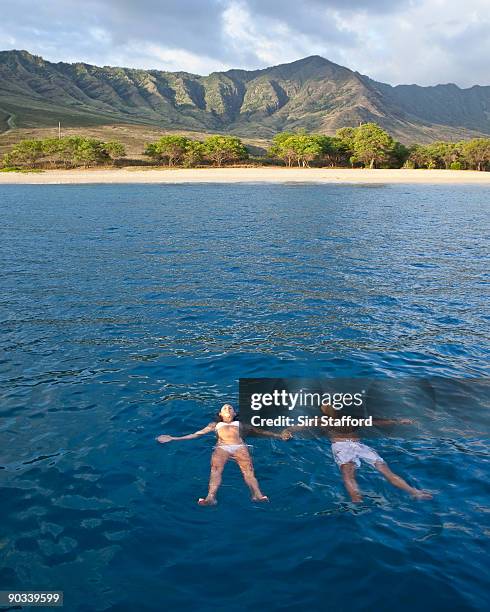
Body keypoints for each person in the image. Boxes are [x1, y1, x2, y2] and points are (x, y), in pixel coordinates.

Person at [292, 402, 433, 503]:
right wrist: (287, 431)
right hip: (348, 447)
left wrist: (398, 421)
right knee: (352, 472)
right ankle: (357, 500)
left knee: (367, 471)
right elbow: (299, 426)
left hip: (354, 446)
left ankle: (413, 492)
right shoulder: (327, 420)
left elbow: (375, 422)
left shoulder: (341, 418)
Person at [156, 403, 291, 506]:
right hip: (222, 448)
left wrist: (279, 435)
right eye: (225, 408)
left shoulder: (241, 424)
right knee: (215, 471)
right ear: (220, 414)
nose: (228, 408)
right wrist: (174, 438)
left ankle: (257, 494)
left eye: (230, 408)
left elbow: (261, 432)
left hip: (240, 447)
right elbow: (197, 434)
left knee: (248, 472)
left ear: (234, 413)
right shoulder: (215, 424)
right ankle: (211, 497)